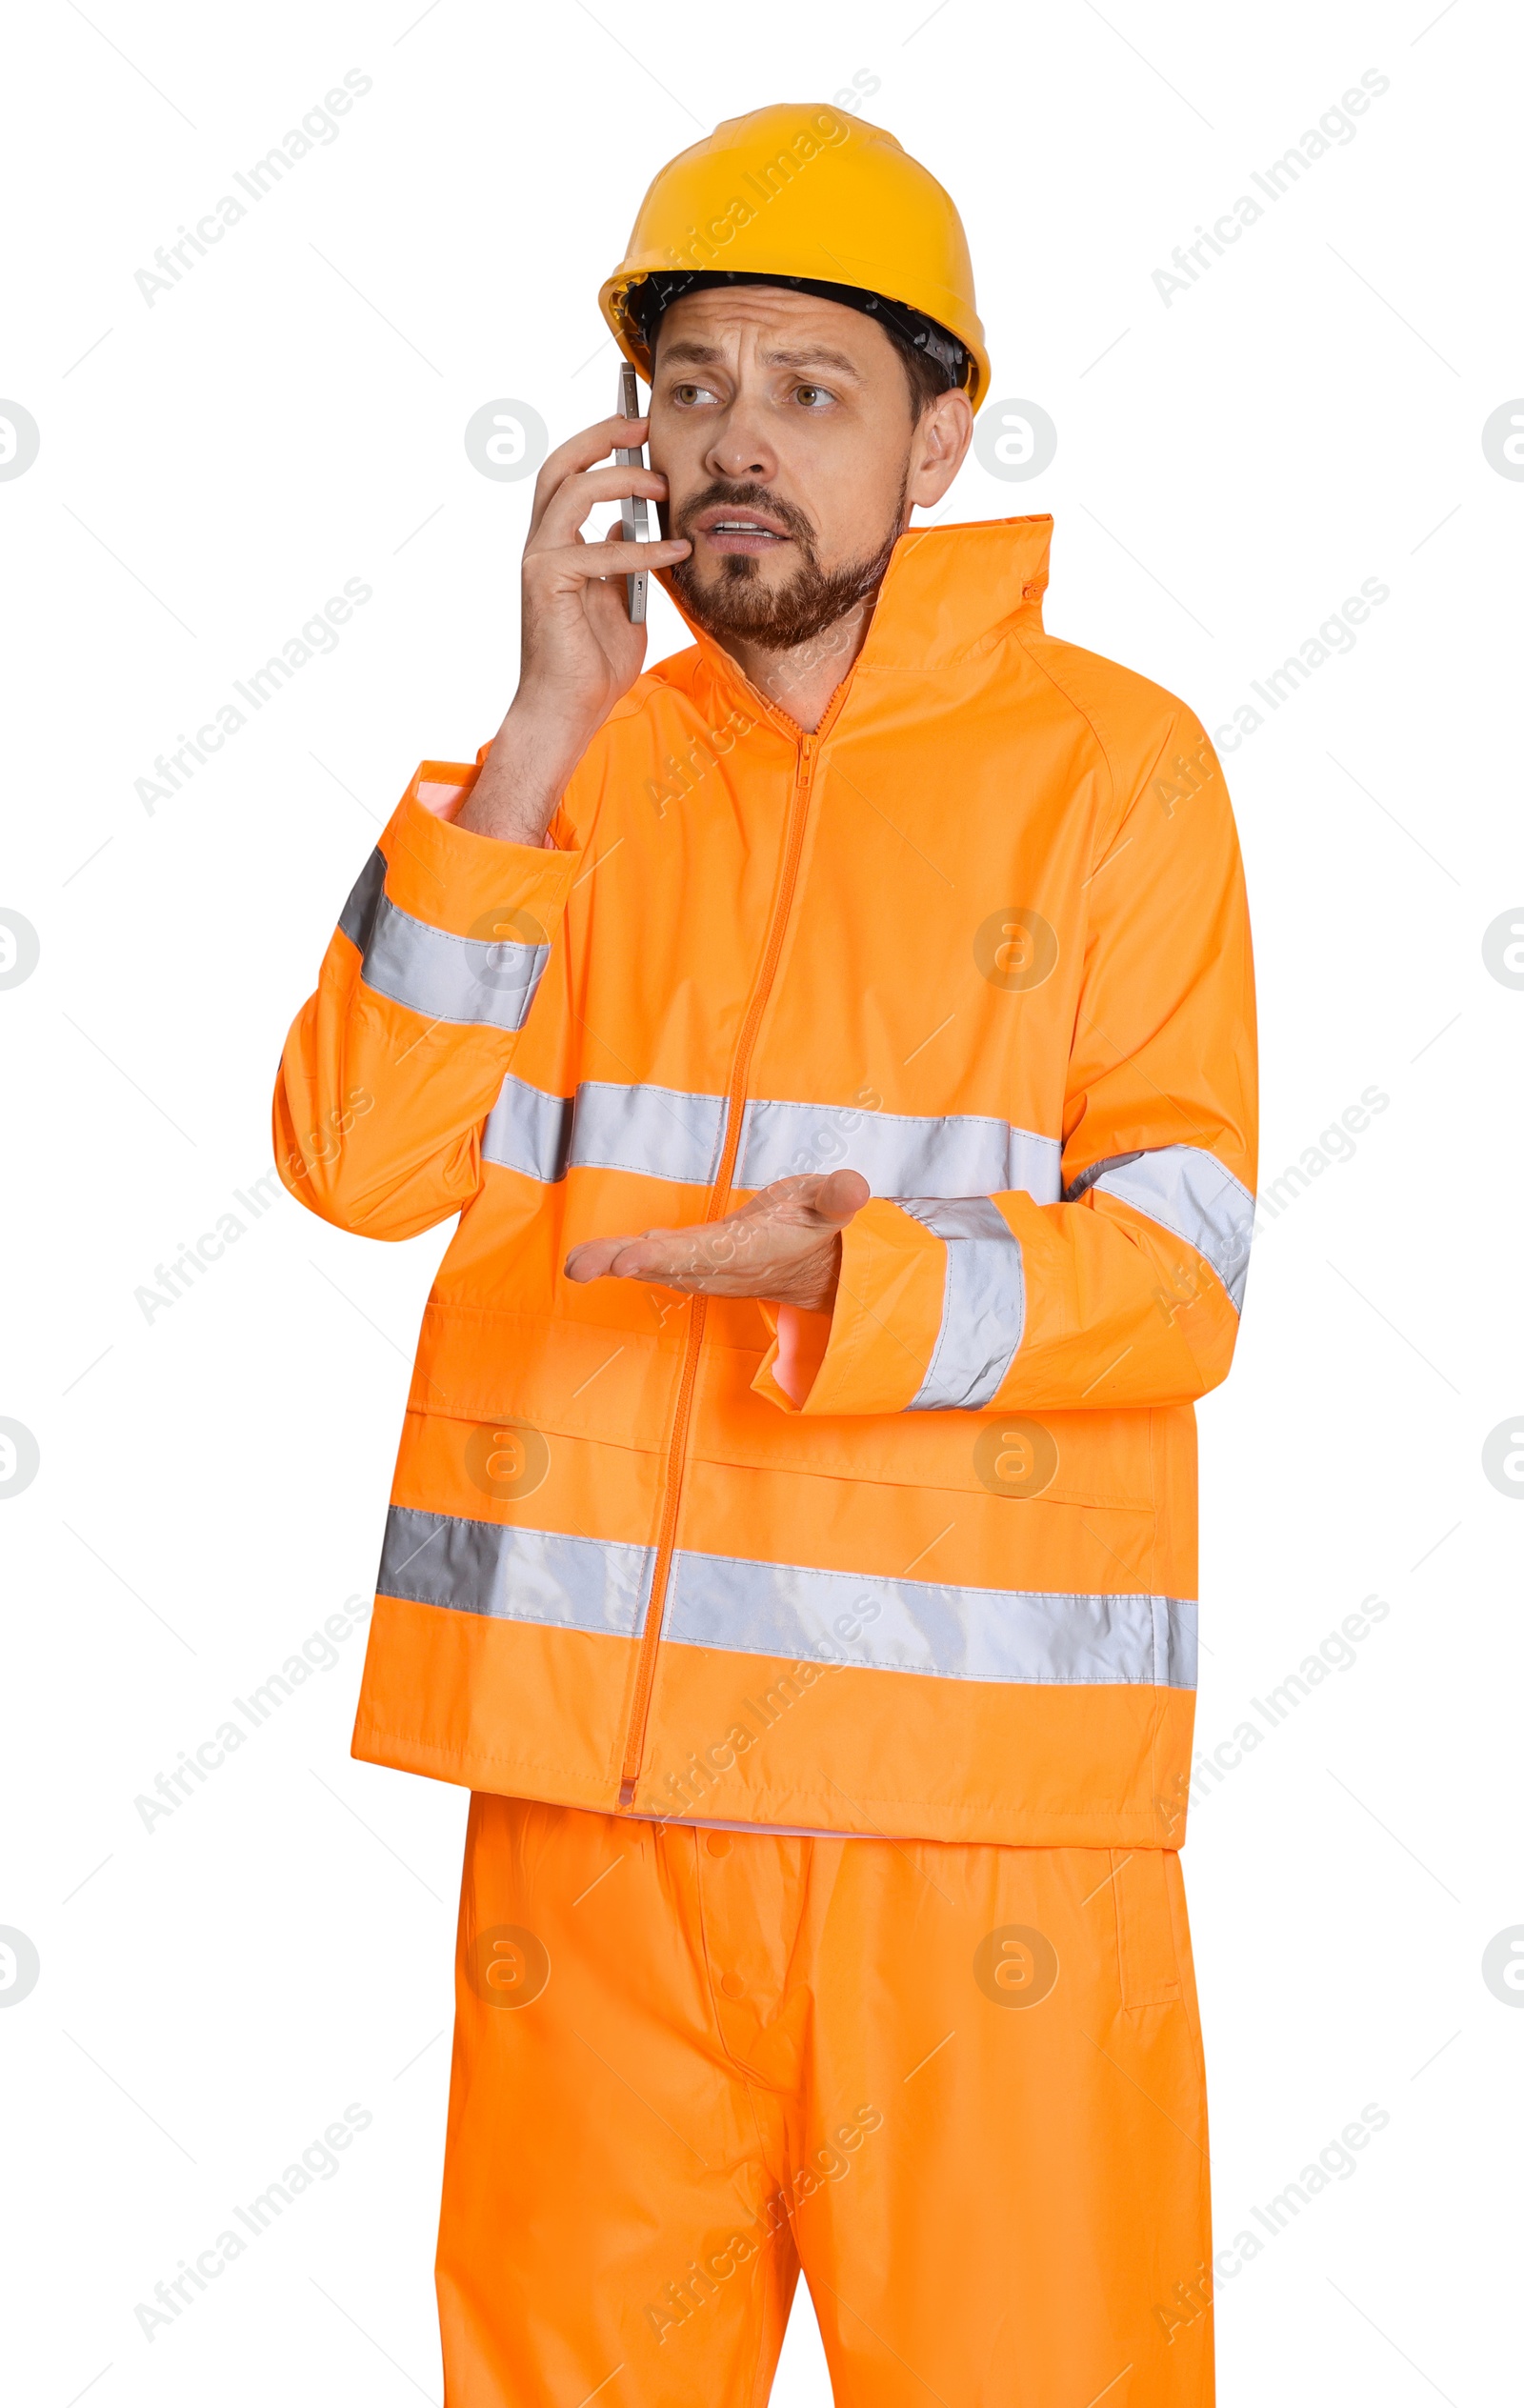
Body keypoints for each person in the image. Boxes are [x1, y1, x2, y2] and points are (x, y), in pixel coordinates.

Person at [275, 99, 1254, 2408]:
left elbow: (1180, 1269)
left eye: (809, 393)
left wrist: (871, 1275)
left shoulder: (1111, 773)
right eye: (691, 384)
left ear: (940, 437)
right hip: (593, 1837)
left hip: (978, 1853)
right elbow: (353, 1156)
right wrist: (531, 725)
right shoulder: (571, 777)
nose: (737, 445)